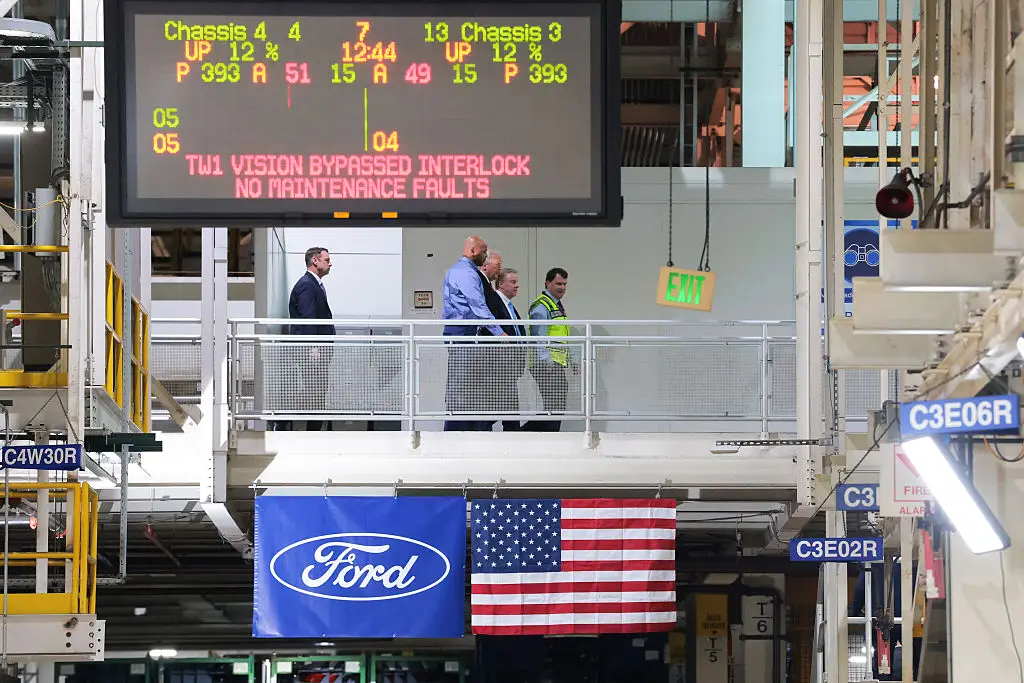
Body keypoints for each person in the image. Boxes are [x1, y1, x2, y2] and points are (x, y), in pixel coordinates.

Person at [442, 236, 506, 431]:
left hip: (461, 333)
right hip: (464, 334)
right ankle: (459, 430)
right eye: (483, 251)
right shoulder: (467, 274)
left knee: (464, 384)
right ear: (472, 251)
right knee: (464, 385)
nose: (485, 256)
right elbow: (479, 307)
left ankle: (463, 428)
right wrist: (500, 333)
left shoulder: (459, 271)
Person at [286, 247, 334, 431]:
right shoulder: (307, 285)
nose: (330, 263)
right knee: (316, 392)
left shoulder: (313, 284)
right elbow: (308, 318)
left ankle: (313, 431)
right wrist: (313, 347)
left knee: (317, 392)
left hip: (316, 351)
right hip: (312, 353)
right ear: (315, 261)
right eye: (326, 260)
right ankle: (308, 431)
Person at [524, 267, 578, 432]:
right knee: (555, 406)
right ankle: (527, 434)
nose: (562, 287)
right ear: (547, 283)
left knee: (555, 406)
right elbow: (538, 337)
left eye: (564, 284)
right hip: (546, 364)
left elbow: (563, 336)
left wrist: (572, 360)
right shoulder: (542, 306)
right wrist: (547, 362)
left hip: (555, 363)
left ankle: (543, 435)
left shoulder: (557, 306)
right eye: (558, 283)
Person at [494, 267, 526, 431]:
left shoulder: (509, 306)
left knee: (511, 409)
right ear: (500, 284)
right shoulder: (495, 303)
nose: (517, 285)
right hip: (500, 367)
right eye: (513, 282)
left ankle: (513, 435)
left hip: (511, 367)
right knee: (501, 408)